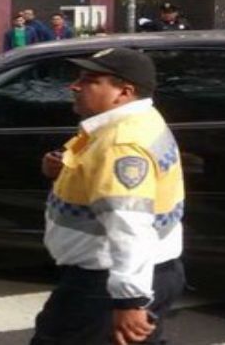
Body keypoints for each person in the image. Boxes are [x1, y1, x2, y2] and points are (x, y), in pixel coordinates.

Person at [32, 47, 185, 345]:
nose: (75, 86)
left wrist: (130, 300)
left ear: (124, 92)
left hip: (104, 281)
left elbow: (130, 226)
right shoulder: (136, 119)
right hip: (153, 269)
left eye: (90, 80)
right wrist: (58, 167)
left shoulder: (120, 144)